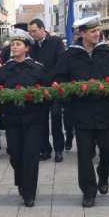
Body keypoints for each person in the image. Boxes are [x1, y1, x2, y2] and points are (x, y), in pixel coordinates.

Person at [53, 15, 109, 207]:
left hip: (106, 110)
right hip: (81, 111)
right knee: (84, 155)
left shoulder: (107, 53)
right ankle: (88, 191)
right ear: (82, 34)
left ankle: (103, 174)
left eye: (97, 31)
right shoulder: (69, 55)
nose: (97, 34)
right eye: (92, 31)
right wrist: (72, 91)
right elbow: (59, 79)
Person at [0, 29, 48, 207]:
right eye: (12, 44)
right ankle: (22, 180)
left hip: (34, 119)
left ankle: (29, 192)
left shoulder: (37, 69)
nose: (14, 47)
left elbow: (47, 93)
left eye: (18, 44)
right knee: (15, 155)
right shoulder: (4, 70)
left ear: (27, 48)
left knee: (31, 155)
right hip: (12, 119)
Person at [28, 18, 68, 162]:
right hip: (39, 88)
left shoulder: (55, 42)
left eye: (34, 31)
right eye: (31, 32)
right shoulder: (32, 46)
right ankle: (45, 149)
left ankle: (58, 149)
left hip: (55, 86)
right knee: (41, 119)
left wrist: (52, 79)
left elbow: (61, 62)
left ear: (42, 28)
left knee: (56, 117)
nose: (32, 34)